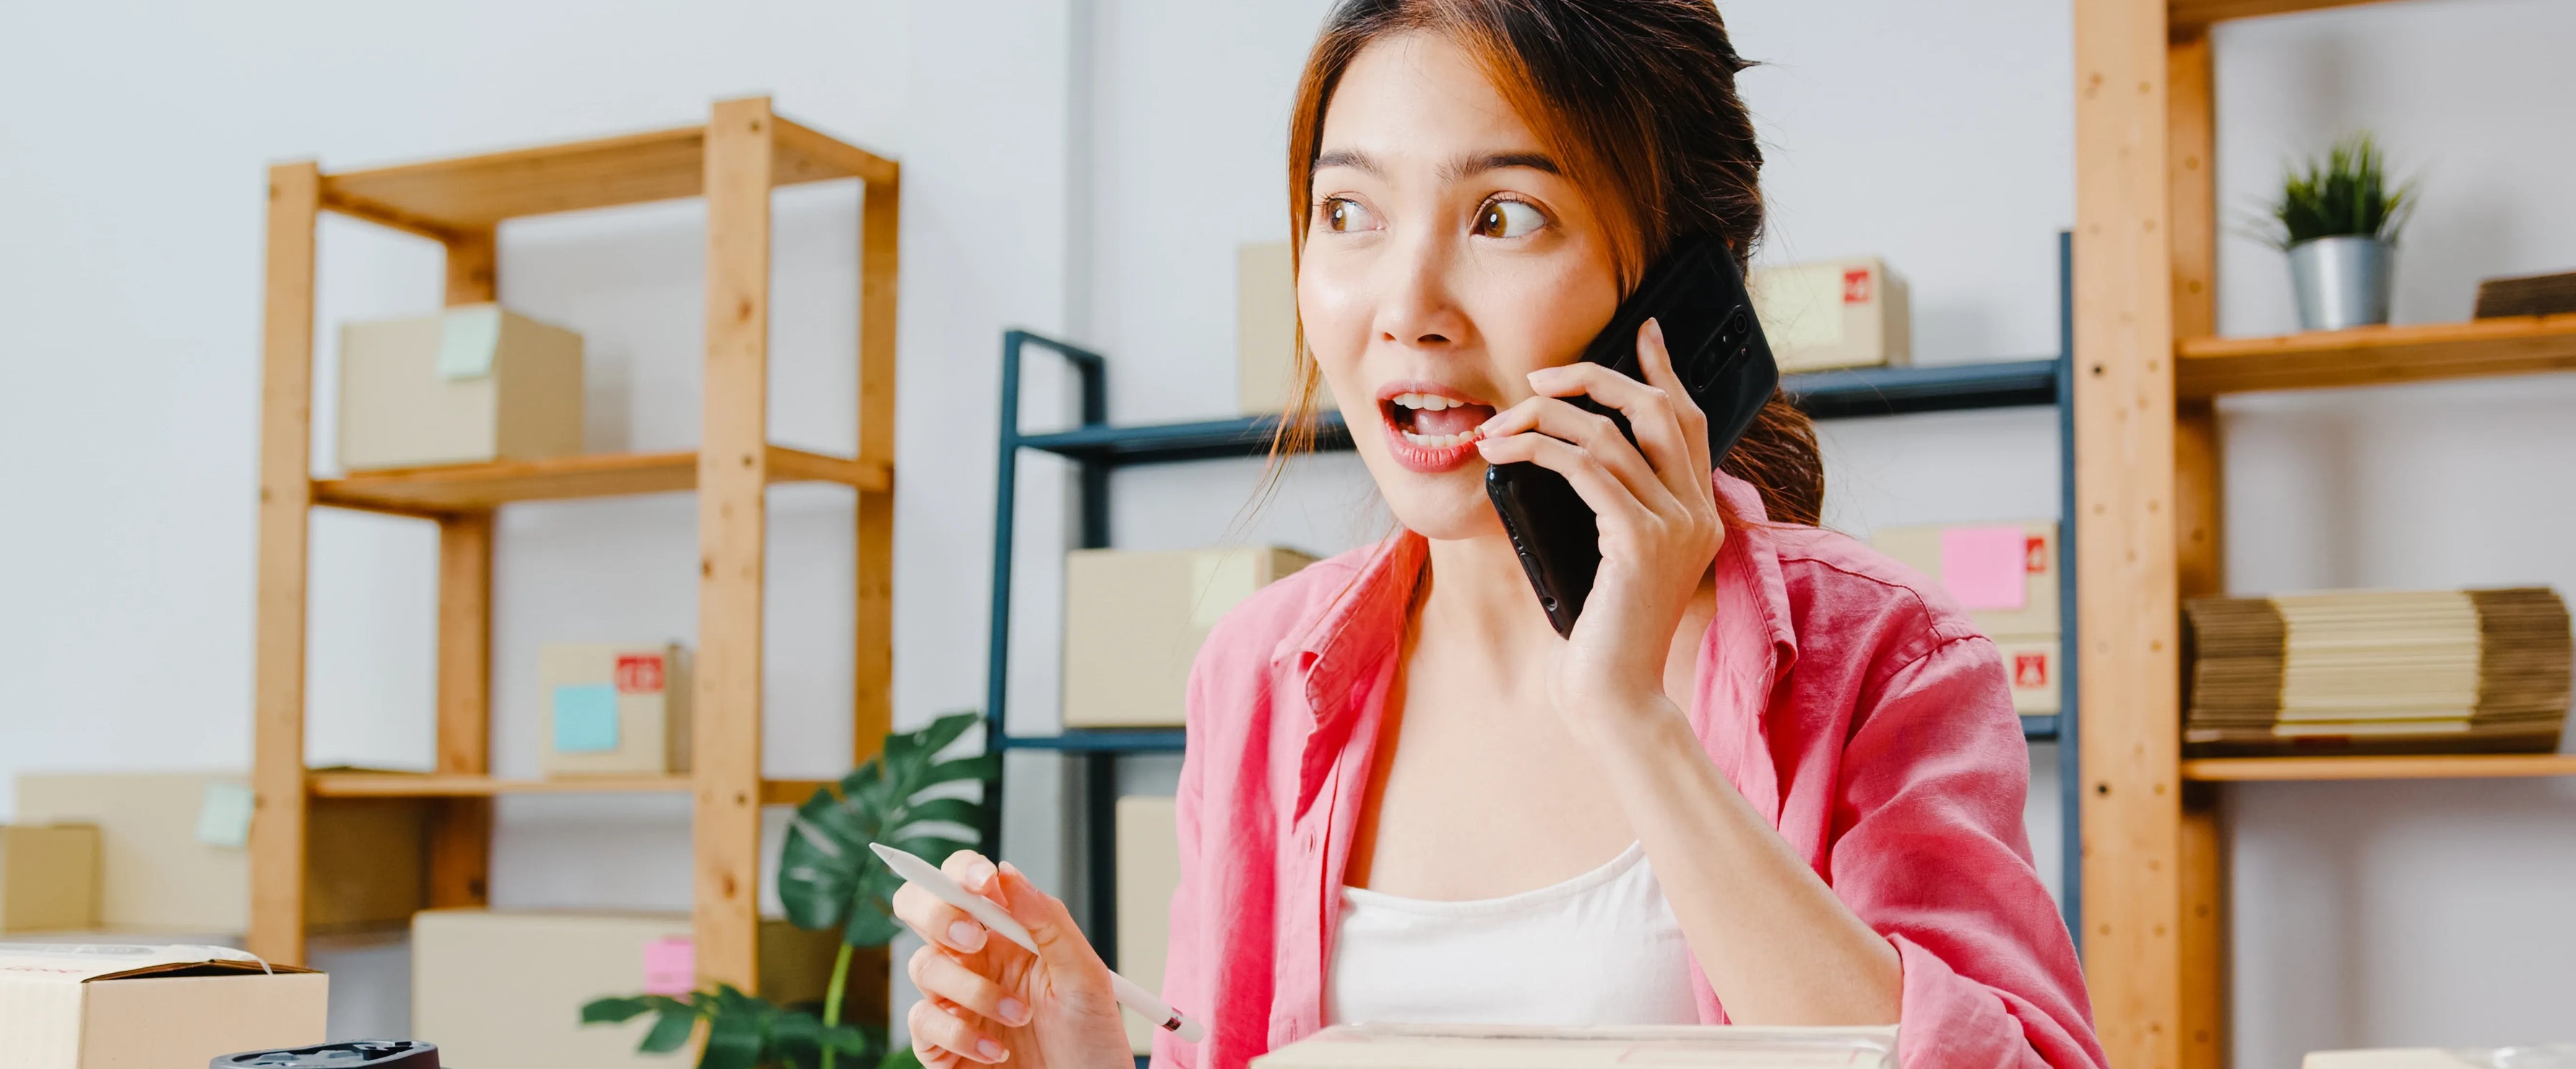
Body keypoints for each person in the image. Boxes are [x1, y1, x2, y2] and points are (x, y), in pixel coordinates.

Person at [894, 1, 2106, 1067]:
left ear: (1684, 291)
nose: (1407, 308)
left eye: (1504, 216)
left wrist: (1630, 717)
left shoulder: (1882, 654)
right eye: (1349, 211)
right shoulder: (1261, 676)